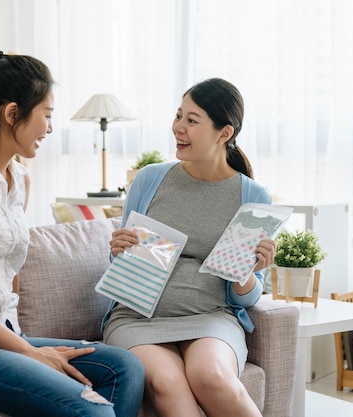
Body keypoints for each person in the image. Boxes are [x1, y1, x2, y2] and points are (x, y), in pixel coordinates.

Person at [0, 45, 144, 417]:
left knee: (125, 368)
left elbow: (9, 272)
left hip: (2, 335)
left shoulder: (19, 178)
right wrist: (30, 354)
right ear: (11, 114)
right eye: (46, 115)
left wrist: (23, 345)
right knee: (94, 411)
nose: (50, 128)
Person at [102, 78, 276, 417]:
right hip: (137, 317)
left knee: (211, 377)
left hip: (211, 317)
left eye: (191, 121)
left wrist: (249, 272)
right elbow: (124, 262)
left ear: (224, 133)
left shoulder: (252, 196)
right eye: (178, 116)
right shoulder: (149, 179)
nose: (178, 128)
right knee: (167, 382)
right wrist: (119, 249)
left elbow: (246, 295)